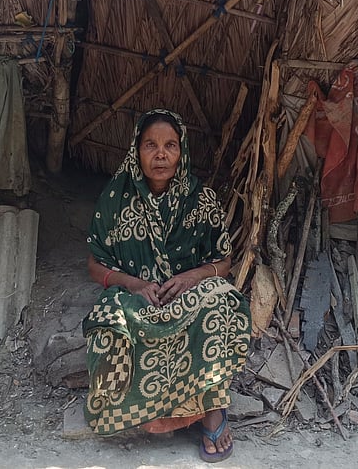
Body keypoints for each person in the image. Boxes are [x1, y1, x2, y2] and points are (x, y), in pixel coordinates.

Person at [84, 109, 251, 462]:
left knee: (221, 303)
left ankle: (211, 411)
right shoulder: (115, 198)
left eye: (170, 145)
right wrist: (131, 283)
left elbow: (224, 261)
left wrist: (193, 277)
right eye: (150, 145)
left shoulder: (202, 199)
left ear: (182, 150)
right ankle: (144, 415)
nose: (161, 154)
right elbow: (94, 264)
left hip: (187, 296)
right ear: (136, 150)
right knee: (111, 318)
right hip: (136, 297)